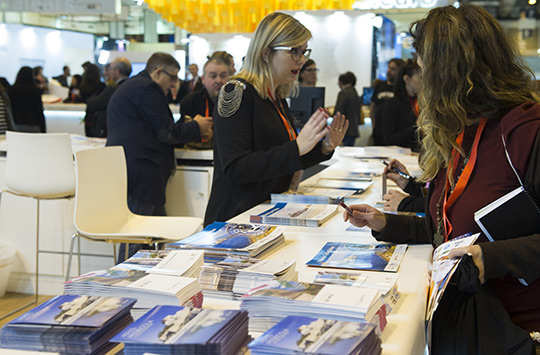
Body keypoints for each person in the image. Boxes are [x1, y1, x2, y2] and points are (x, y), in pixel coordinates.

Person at [344, 5, 540, 353]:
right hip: (467, 326)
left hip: (513, 332)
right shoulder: (461, 133)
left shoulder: (526, 131)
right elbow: (451, 233)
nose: (419, 77)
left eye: (424, 65)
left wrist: (489, 258)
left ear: (451, 70)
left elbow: (480, 245)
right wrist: (387, 222)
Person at [204, 12, 348, 226]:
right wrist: (297, 147)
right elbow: (236, 168)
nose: (302, 60)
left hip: (263, 213)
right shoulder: (236, 92)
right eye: (294, 52)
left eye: (304, 51)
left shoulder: (275, 97)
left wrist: (324, 148)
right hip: (234, 219)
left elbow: (283, 160)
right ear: (266, 52)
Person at [106, 52, 213, 261]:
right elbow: (167, 132)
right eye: (172, 77)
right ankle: (125, 285)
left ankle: (141, 285)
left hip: (137, 170)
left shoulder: (135, 86)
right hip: (141, 172)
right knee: (138, 237)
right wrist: (196, 126)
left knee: (153, 238)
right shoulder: (147, 88)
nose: (174, 84)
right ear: (157, 72)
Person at [180, 57, 230, 149]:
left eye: (223, 76)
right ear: (203, 79)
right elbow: (179, 136)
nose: (218, 81)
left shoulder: (238, 102)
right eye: (213, 76)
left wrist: (215, 136)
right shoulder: (189, 102)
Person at [380, 60, 422, 151]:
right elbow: (389, 139)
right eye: (420, 77)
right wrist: (416, 128)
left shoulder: (423, 103)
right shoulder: (392, 104)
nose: (423, 82)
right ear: (406, 79)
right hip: (401, 157)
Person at [85, 57, 132, 137]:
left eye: (111, 69)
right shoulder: (132, 87)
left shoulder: (113, 89)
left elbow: (93, 104)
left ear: (117, 71)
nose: (109, 72)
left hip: (111, 132)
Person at [370, 58, 404, 145]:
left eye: (393, 69)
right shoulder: (380, 86)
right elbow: (372, 106)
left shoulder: (401, 89)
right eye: (389, 67)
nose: (389, 71)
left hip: (394, 134)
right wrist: (373, 124)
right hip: (378, 132)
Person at [8, 66, 46, 132]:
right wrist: (43, 129)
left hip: (16, 125)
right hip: (33, 124)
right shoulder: (35, 91)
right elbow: (39, 111)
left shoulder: (11, 90)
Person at [334, 71, 361, 146]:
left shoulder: (343, 93)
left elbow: (339, 112)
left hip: (344, 130)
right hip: (353, 130)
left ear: (340, 82)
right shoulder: (355, 93)